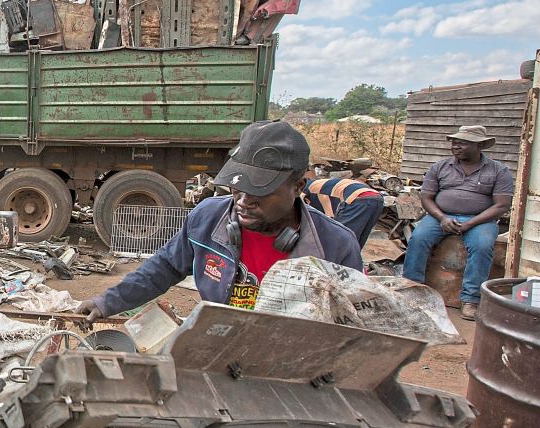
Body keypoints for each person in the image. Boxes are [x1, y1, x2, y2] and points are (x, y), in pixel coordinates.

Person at [77, 121, 363, 321]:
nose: (242, 201)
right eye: (238, 188)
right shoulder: (208, 217)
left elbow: (351, 326)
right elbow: (163, 268)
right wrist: (107, 302)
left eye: (260, 191)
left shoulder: (335, 246)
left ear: (298, 186)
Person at [402, 125, 513, 320]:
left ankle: (470, 300)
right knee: (418, 238)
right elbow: (426, 197)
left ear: (478, 146)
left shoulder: (498, 170)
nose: (455, 146)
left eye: (462, 143)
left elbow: (501, 205)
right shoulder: (440, 166)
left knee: (483, 245)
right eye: (454, 142)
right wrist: (442, 218)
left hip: (479, 220)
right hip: (441, 215)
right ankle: (412, 288)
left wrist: (470, 224)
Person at [303, 176, 384, 248]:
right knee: (357, 241)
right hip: (377, 198)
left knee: (339, 241)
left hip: (357, 198)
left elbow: (329, 217)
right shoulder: (322, 184)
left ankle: (337, 263)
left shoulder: (306, 190)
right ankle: (352, 263)